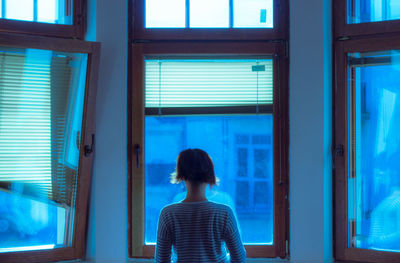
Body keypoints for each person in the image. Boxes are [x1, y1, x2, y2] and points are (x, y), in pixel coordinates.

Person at [155, 148, 246, 263]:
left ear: (180, 175)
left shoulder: (168, 213)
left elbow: (161, 260)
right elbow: (239, 257)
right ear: (210, 175)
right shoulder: (224, 213)